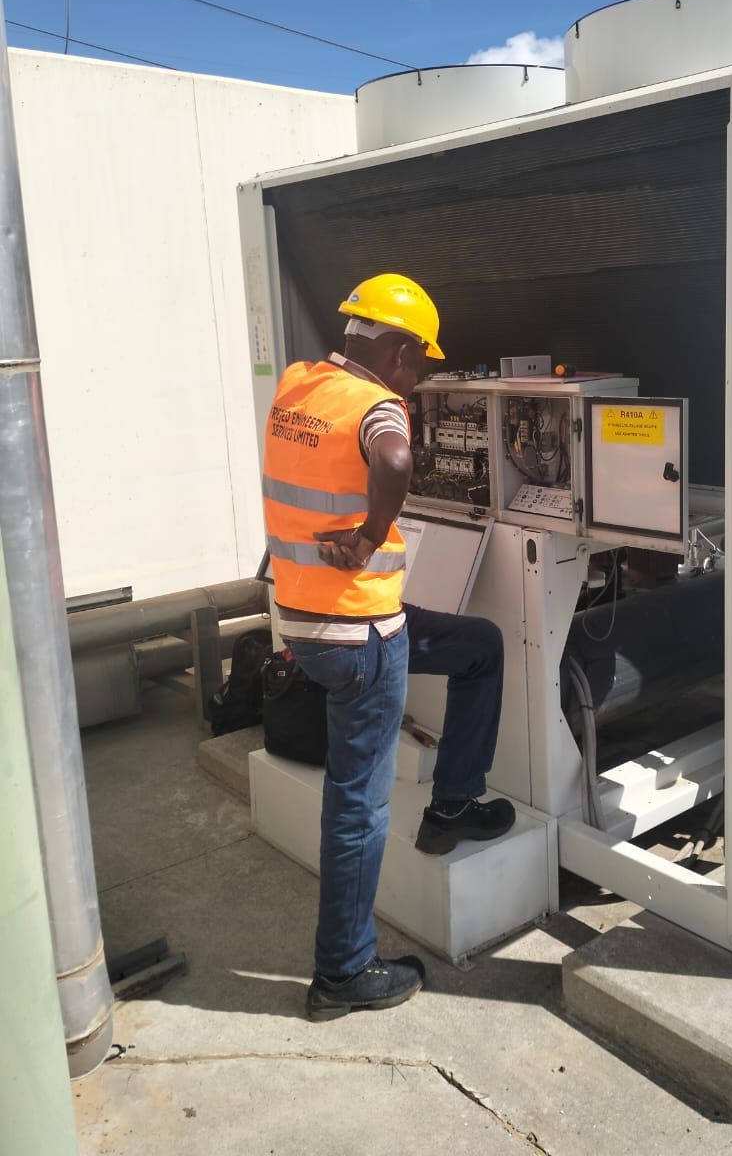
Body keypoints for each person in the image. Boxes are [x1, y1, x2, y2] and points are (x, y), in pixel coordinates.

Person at [261, 272, 515, 1021]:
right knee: (358, 807)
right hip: (362, 634)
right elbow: (395, 459)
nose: (422, 377)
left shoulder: (297, 385)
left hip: (304, 622)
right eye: (421, 363)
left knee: (477, 646)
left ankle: (455, 802)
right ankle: (343, 972)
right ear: (398, 350)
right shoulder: (379, 406)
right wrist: (372, 536)